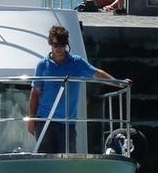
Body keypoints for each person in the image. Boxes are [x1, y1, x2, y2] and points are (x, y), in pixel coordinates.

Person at [28, 25, 121, 154]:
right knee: (45, 160)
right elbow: (35, 94)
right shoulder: (42, 65)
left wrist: (119, 83)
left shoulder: (77, 63)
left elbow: (96, 73)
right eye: (56, 45)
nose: (59, 48)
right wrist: (31, 120)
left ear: (66, 44)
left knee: (67, 159)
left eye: (62, 44)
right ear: (50, 44)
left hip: (67, 123)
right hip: (45, 121)